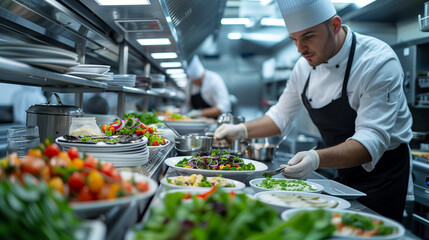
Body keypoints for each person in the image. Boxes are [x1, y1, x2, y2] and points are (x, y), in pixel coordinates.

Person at [215, 0, 412, 222]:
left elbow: (370, 142)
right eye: (294, 40)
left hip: (384, 176)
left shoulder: (377, 62)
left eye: (308, 37)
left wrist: (315, 158)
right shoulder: (303, 67)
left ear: (335, 25)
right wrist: (240, 130)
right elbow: (279, 117)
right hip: (341, 169)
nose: (300, 49)